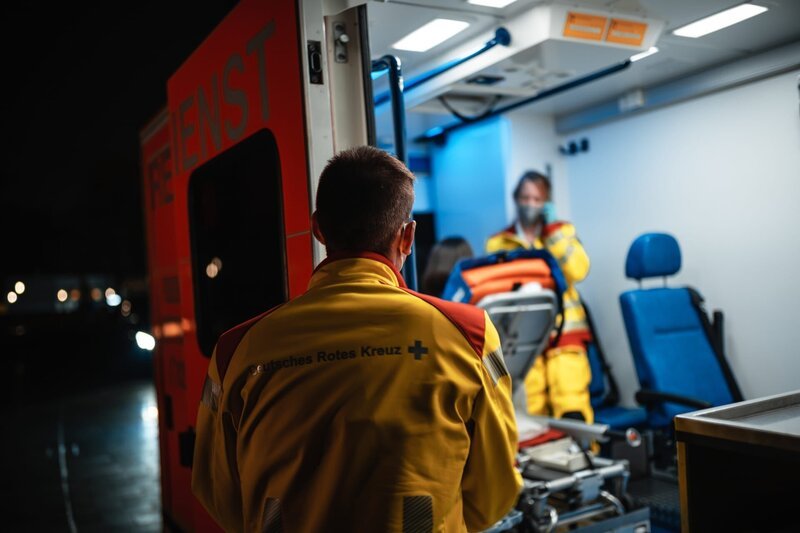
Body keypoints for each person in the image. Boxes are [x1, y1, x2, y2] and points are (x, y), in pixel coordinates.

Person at [192, 146, 522, 532]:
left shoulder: (235, 350)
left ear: (318, 228)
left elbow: (216, 491)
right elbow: (495, 491)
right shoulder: (470, 334)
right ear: (408, 236)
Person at [486, 171, 594, 424]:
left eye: (537, 199)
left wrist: (553, 231)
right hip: (524, 338)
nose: (530, 204)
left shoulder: (563, 232)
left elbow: (578, 270)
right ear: (516, 199)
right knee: (531, 410)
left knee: (572, 406)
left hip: (565, 334)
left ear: (546, 203)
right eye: (525, 197)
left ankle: (581, 458)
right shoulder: (499, 242)